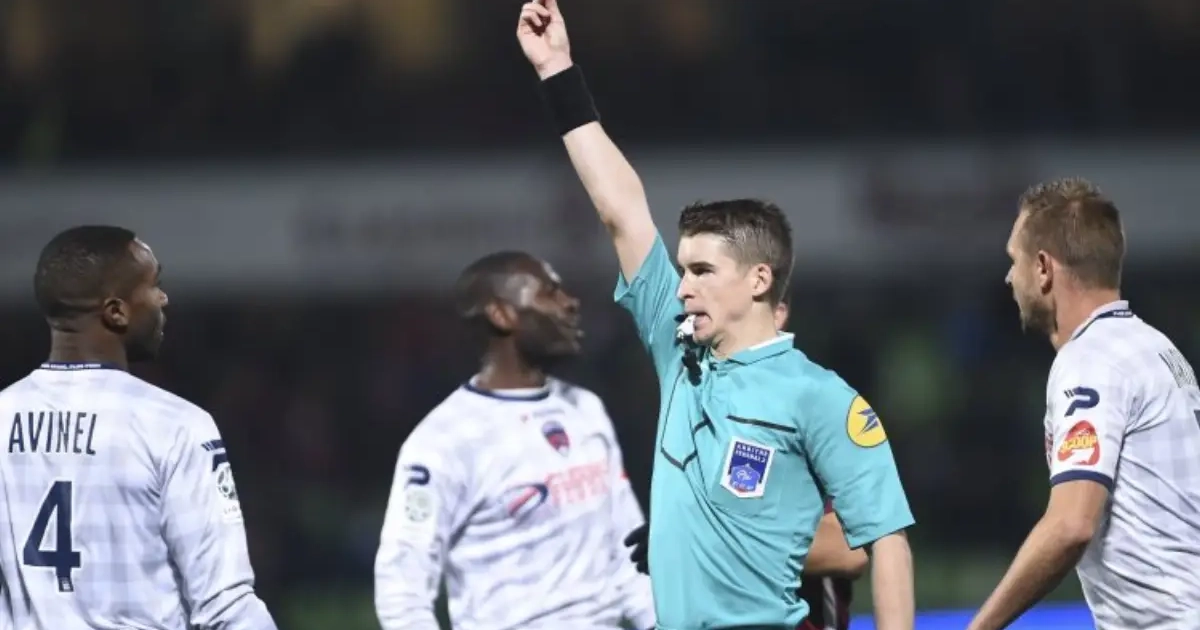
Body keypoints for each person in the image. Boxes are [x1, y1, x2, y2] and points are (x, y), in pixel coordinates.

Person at [516, 3, 916, 630]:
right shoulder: (677, 355)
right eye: (682, 270)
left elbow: (884, 541)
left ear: (759, 280)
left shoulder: (819, 397)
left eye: (703, 271)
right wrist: (557, 70)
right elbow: (622, 210)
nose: (683, 288)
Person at [0, 226, 277, 630]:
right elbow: (225, 603)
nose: (163, 298)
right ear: (116, 311)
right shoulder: (174, 425)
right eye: (153, 285)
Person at [374, 251, 654, 630]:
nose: (570, 303)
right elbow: (402, 589)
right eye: (549, 293)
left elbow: (627, 547)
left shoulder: (586, 409)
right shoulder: (444, 440)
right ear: (501, 314)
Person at [967, 178, 1200, 630]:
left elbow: (1071, 525)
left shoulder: (1091, 360)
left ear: (1043, 268)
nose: (1009, 277)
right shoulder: (1155, 348)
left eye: (1014, 260)